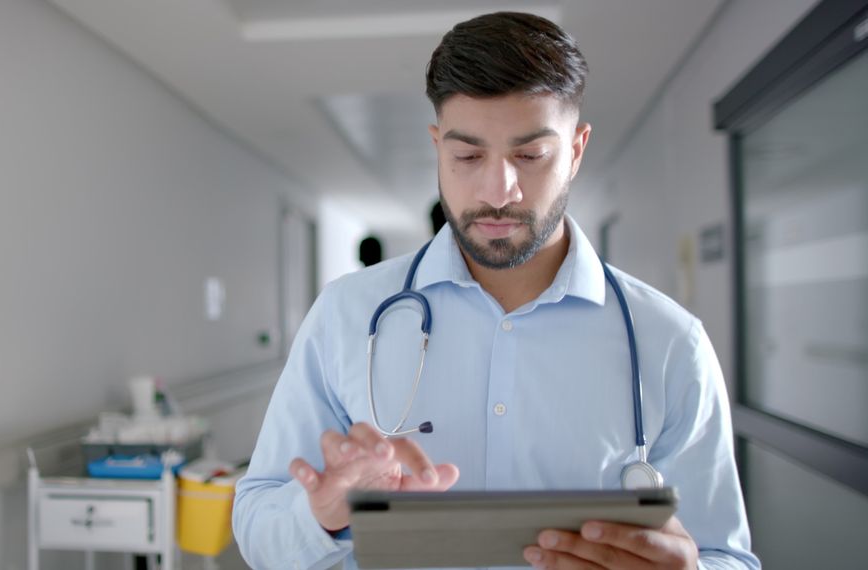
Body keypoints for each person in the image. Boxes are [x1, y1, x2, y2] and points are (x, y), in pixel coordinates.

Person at [233, 11, 758, 570]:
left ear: (576, 150)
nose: (498, 190)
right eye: (468, 156)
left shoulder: (671, 342)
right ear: (437, 147)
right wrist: (321, 515)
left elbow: (728, 556)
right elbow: (257, 521)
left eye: (530, 156)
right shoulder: (346, 315)